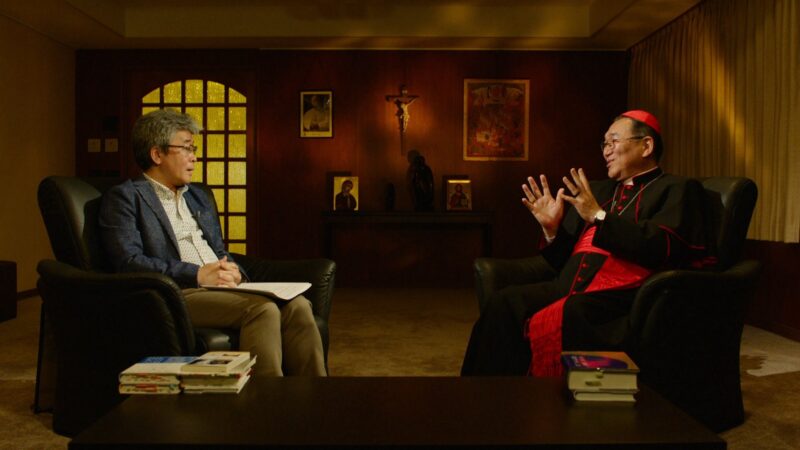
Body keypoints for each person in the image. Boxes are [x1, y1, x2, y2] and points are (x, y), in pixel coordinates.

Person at [461, 110, 713, 376]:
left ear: (646, 146)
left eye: (614, 141)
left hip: (623, 299)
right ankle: (483, 392)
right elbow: (561, 262)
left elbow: (663, 246)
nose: (606, 151)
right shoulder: (597, 190)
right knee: (504, 303)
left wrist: (599, 217)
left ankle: (546, 395)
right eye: (604, 144)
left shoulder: (677, 188)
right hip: (567, 287)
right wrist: (552, 229)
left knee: (573, 312)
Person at [99, 109, 326, 377]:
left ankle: (314, 395)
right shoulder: (126, 197)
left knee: (298, 306)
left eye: (193, 148)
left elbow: (218, 251)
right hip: (175, 293)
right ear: (157, 154)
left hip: (219, 289)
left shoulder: (197, 196)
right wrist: (196, 274)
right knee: (261, 310)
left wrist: (234, 272)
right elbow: (129, 262)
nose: (194, 157)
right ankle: (264, 399)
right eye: (186, 148)